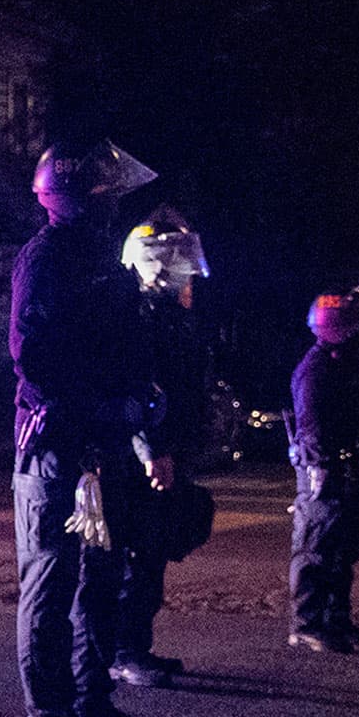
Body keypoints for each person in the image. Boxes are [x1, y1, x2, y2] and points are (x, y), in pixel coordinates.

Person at [9, 138, 165, 717]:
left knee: (99, 578)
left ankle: (91, 702)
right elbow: (33, 358)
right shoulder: (46, 260)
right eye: (106, 195)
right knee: (51, 582)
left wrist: (141, 396)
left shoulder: (99, 258)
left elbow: (120, 344)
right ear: (88, 198)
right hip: (60, 447)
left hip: (101, 445)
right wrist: (103, 406)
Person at [111, 210, 216, 686]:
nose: (188, 274)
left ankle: (136, 647)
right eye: (178, 264)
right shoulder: (138, 316)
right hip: (144, 458)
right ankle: (124, 652)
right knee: (137, 556)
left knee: (152, 555)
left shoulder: (172, 317)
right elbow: (138, 386)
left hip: (166, 448)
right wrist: (152, 448)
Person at [289, 287, 359, 651]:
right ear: (344, 330)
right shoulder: (317, 369)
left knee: (343, 551)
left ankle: (336, 619)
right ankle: (307, 624)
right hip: (326, 470)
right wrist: (322, 466)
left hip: (349, 469)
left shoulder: (343, 365)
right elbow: (312, 425)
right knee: (315, 549)